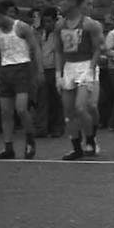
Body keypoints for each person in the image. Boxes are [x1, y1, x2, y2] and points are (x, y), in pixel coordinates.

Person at [0, 1, 40, 160]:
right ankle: (8, 147)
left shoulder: (21, 27)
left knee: (21, 109)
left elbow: (35, 48)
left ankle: (30, 141)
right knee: (5, 112)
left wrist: (37, 72)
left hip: (22, 68)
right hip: (6, 70)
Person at [54, 0, 104, 160]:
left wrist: (91, 69)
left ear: (73, 2)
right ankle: (76, 146)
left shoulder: (91, 25)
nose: (59, 4)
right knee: (69, 111)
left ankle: (90, 140)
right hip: (69, 67)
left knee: (81, 107)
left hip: (85, 66)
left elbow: (98, 48)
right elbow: (59, 51)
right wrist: (58, 74)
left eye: (63, 0)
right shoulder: (59, 25)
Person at [33, 8, 64, 137]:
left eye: (49, 21)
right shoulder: (40, 33)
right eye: (44, 21)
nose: (47, 24)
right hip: (43, 69)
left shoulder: (60, 33)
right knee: (42, 100)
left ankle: (57, 127)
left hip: (56, 69)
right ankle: (41, 128)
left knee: (56, 100)